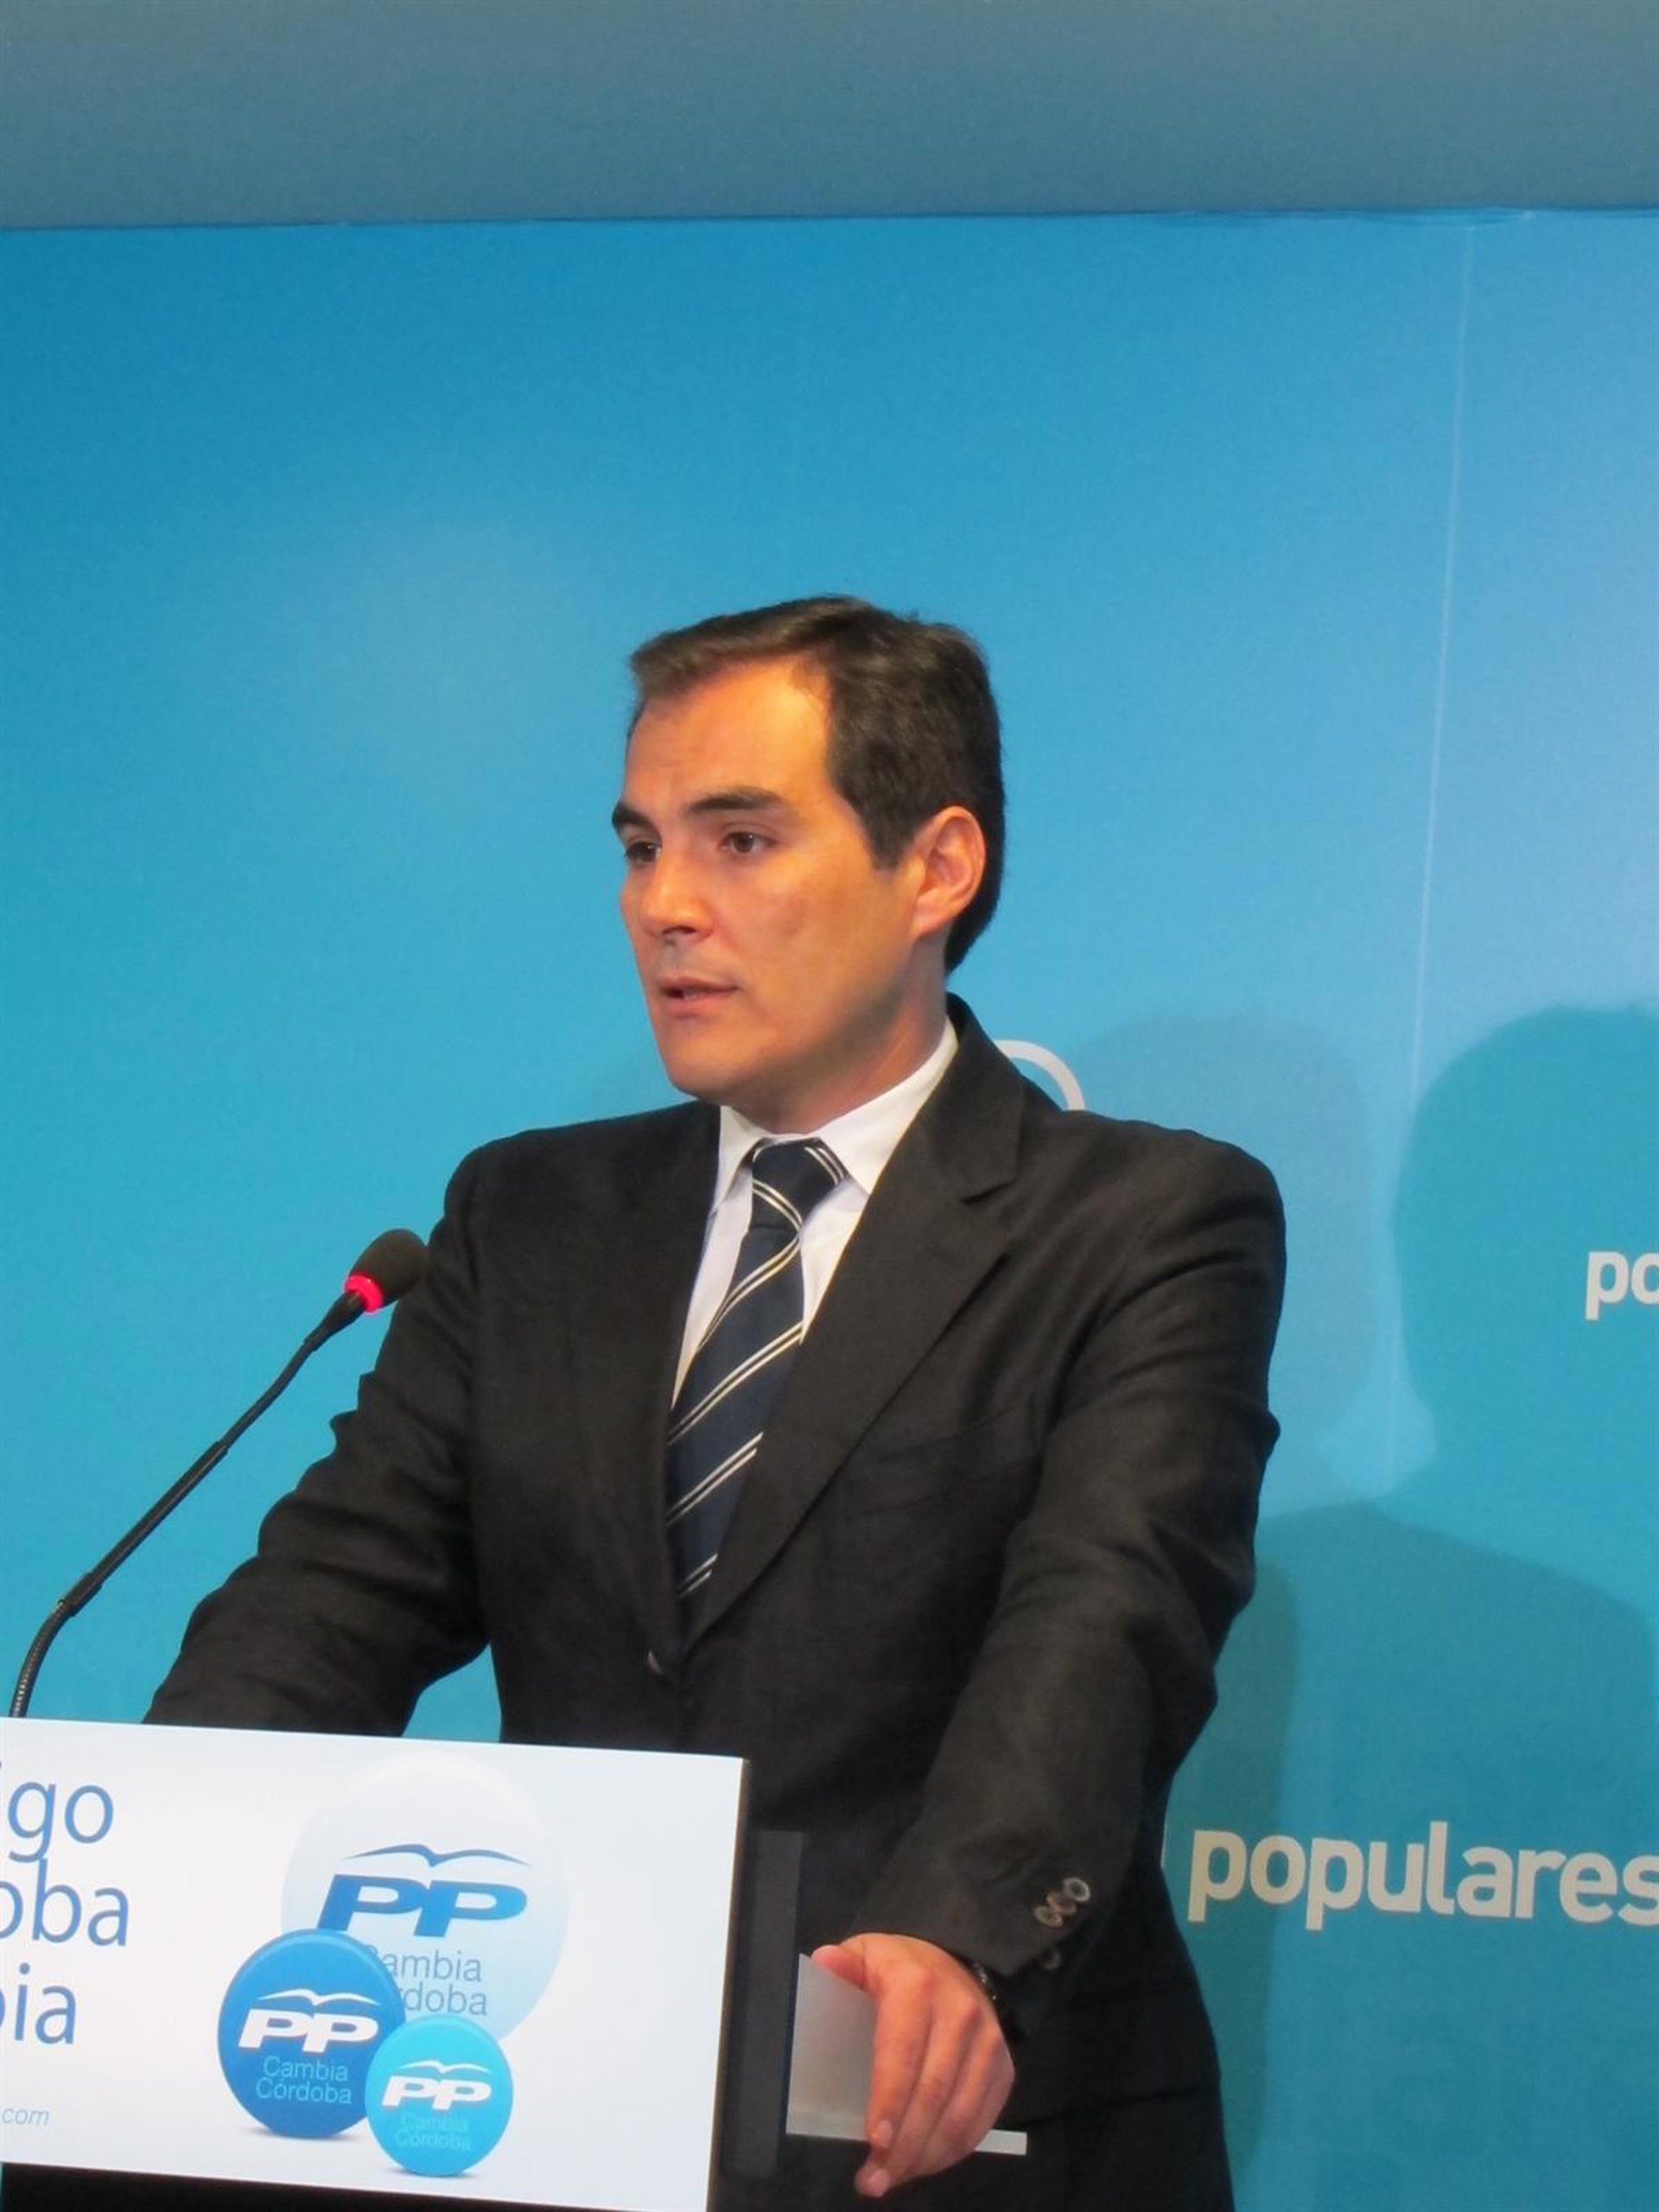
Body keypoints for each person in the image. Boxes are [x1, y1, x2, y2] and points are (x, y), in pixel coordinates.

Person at [144, 596, 1286, 2209]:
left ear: (937, 869)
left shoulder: (1144, 1223)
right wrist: (154, 1853)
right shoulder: (531, 1216)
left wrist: (952, 1939)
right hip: (558, 2105)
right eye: (641, 848)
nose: (665, 906)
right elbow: (338, 1591)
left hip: (945, 2120)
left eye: (741, 841)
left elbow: (1108, 1618)